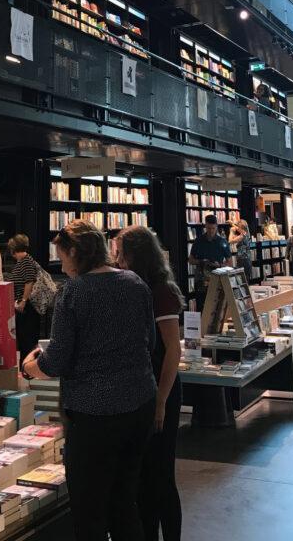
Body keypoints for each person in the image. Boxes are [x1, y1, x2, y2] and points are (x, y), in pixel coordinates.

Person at [22, 220, 155, 541]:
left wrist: (30, 366)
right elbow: (148, 342)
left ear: (74, 252)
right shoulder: (135, 283)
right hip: (139, 405)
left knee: (89, 509)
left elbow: (57, 361)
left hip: (94, 416)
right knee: (125, 501)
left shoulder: (76, 293)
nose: (62, 265)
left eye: (62, 257)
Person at [116, 226, 184, 541]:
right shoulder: (135, 287)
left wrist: (161, 401)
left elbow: (173, 349)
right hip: (144, 391)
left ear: (135, 255)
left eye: (120, 253)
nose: (117, 260)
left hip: (161, 390)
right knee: (144, 476)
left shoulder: (160, 291)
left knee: (161, 476)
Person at [7, 234, 41, 363]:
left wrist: (23, 301)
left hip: (26, 308)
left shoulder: (25, 261)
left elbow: (29, 281)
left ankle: (27, 368)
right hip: (24, 307)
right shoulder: (23, 261)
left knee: (27, 340)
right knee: (24, 339)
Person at [188, 214, 230, 310]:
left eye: (213, 228)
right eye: (209, 228)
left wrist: (219, 265)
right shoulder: (198, 241)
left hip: (217, 278)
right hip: (201, 280)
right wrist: (201, 261)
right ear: (205, 226)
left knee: (216, 308)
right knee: (201, 306)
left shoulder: (222, 242)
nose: (211, 231)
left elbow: (229, 262)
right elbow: (191, 260)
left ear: (216, 227)